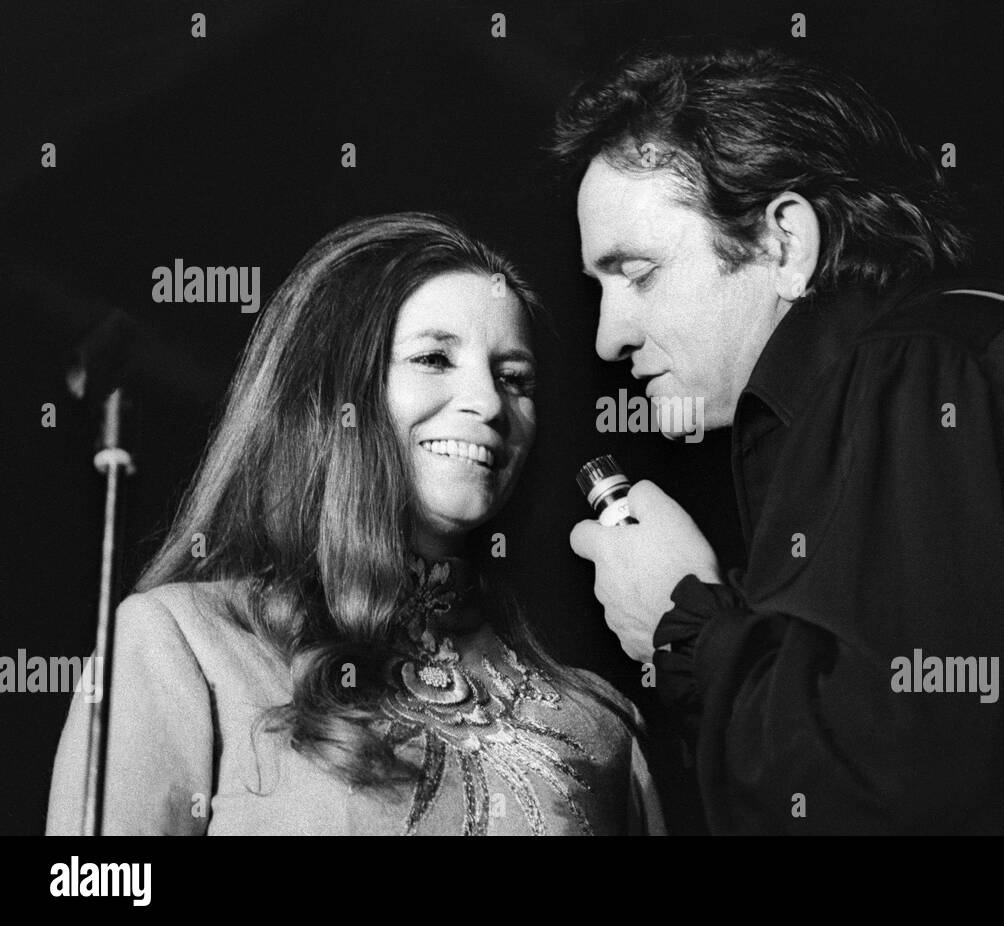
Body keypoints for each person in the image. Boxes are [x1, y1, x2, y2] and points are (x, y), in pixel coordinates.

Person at [556, 46, 1004, 834]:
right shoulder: (950, 366)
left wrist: (680, 618)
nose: (607, 337)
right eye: (599, 287)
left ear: (784, 242)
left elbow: (869, 798)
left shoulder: (913, 374)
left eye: (638, 271)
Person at [47, 212, 663, 836]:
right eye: (433, 358)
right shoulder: (185, 644)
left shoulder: (600, 721)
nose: (489, 402)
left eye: (514, 378)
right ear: (327, 394)